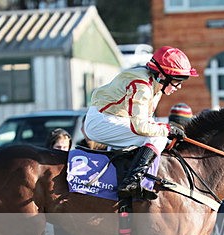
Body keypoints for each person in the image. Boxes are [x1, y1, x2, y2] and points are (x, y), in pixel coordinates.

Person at [83, 45, 197, 200]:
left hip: (113, 119)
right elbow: (141, 127)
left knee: (159, 137)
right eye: (177, 81)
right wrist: (168, 129)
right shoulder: (142, 85)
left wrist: (167, 132)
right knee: (158, 137)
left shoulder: (155, 85)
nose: (179, 86)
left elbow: (147, 122)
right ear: (162, 76)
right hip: (101, 122)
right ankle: (132, 181)